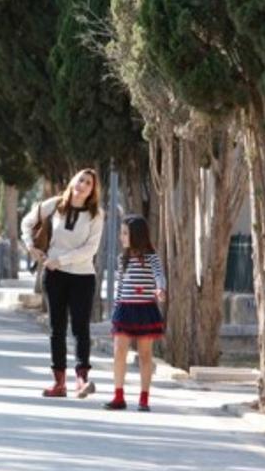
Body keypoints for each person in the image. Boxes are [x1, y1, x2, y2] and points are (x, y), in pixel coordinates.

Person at [20, 168, 104, 398]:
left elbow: (91, 248)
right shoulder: (56, 204)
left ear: (92, 190)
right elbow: (27, 222)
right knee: (57, 328)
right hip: (54, 276)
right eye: (81, 180)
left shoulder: (96, 214)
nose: (83, 185)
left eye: (88, 183)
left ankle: (81, 379)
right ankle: (59, 383)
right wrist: (31, 247)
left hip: (82, 276)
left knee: (80, 328)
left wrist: (61, 260)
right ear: (73, 181)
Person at [104, 215, 166, 412]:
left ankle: (144, 398)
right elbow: (120, 286)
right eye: (121, 233)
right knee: (119, 352)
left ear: (136, 235)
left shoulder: (151, 257)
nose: (121, 237)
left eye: (125, 233)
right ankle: (118, 396)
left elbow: (159, 276)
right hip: (124, 309)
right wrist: (115, 312)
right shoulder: (122, 259)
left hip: (145, 310)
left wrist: (160, 289)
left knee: (145, 355)